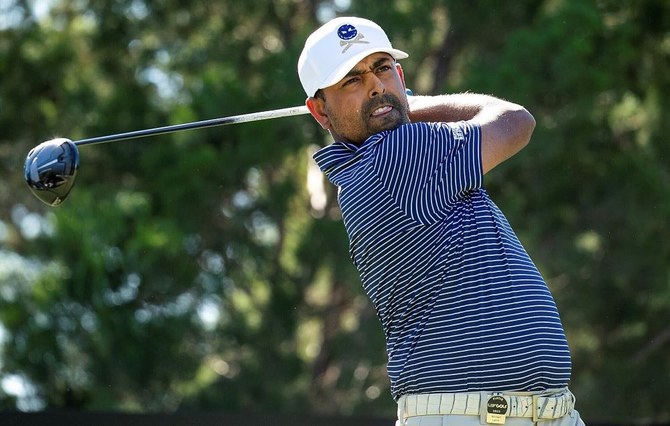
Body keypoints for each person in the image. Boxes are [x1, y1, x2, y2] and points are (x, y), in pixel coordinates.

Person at [298, 16, 585, 426]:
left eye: (381, 68)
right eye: (351, 80)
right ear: (319, 111)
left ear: (399, 73)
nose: (376, 86)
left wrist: (401, 106)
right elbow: (515, 121)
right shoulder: (395, 156)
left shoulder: (370, 167)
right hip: (472, 415)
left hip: (537, 413)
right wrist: (415, 104)